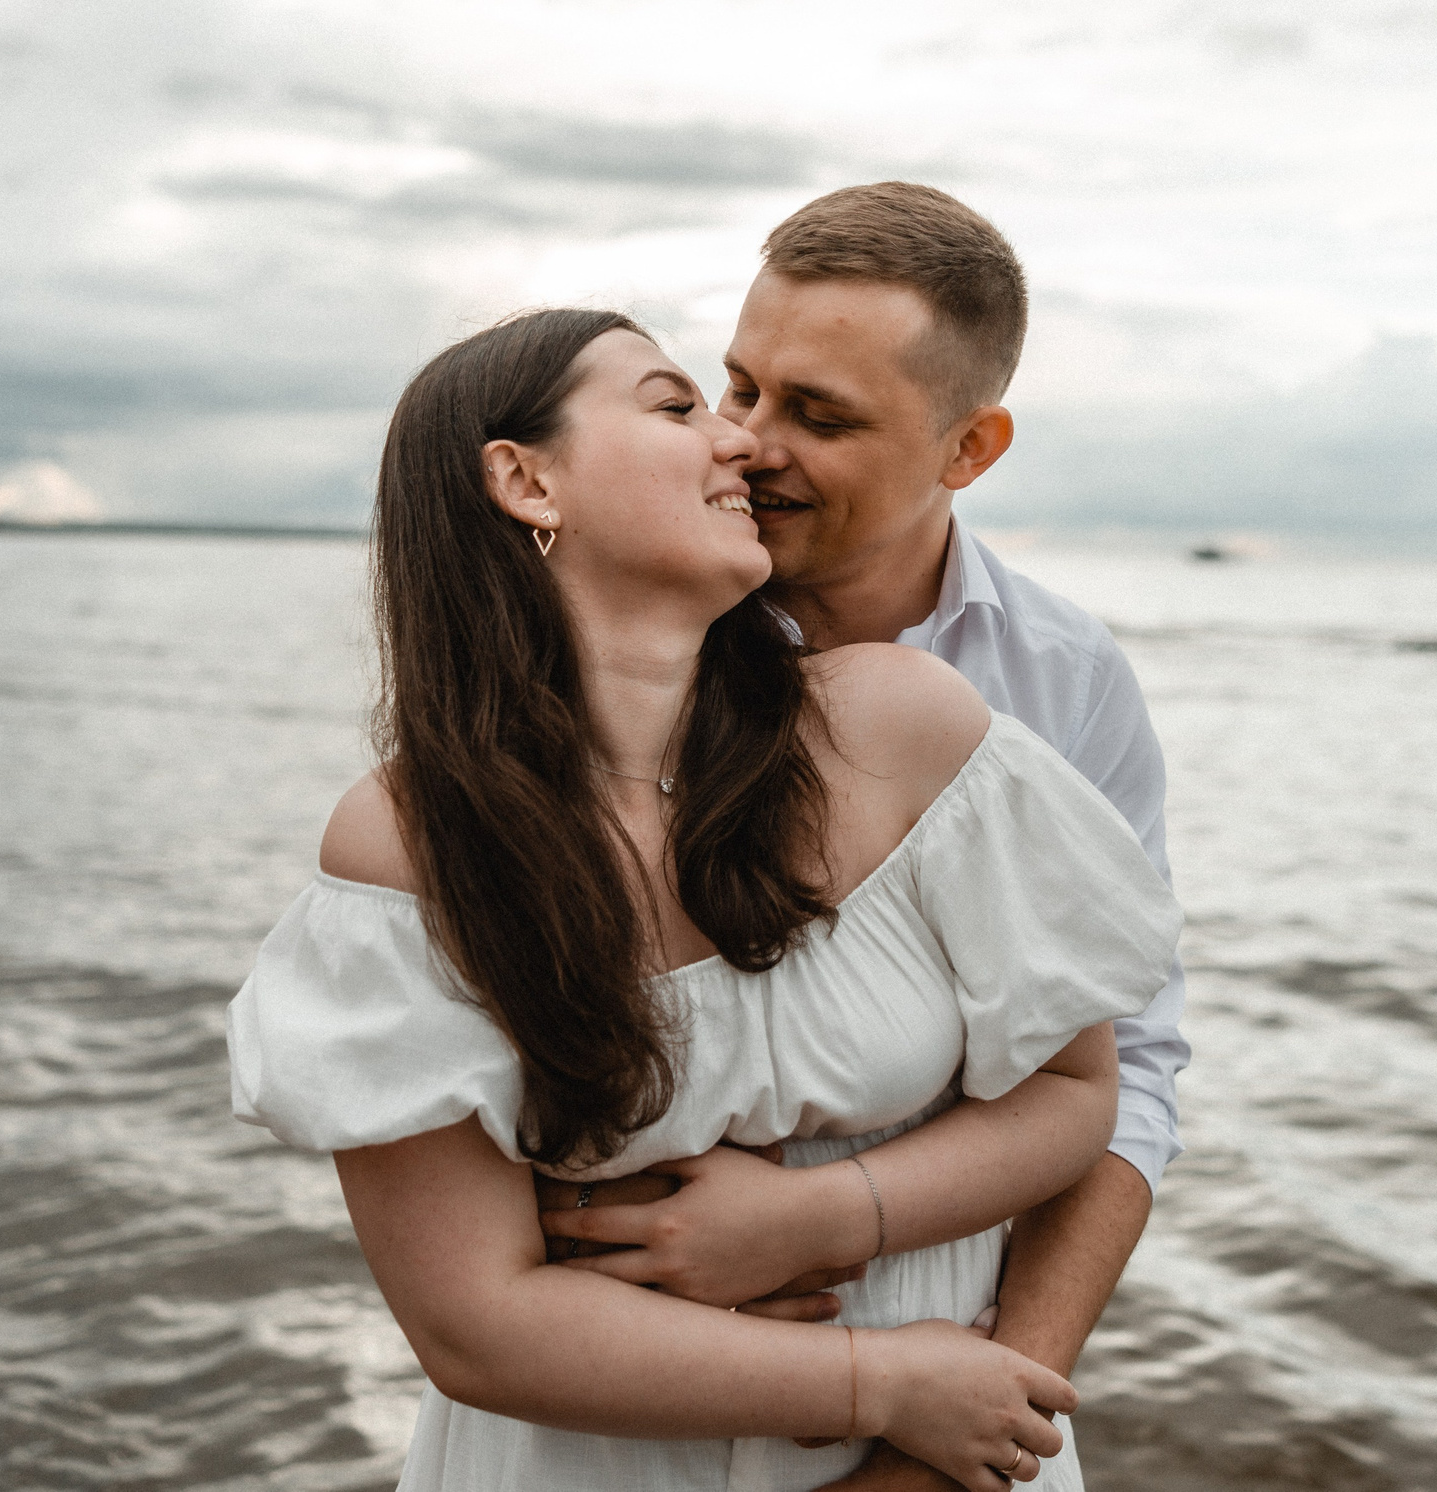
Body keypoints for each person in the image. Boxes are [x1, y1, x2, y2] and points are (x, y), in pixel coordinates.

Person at [227, 307, 1181, 1489]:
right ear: (526, 482)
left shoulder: (902, 725)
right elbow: (471, 1322)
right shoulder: (413, 843)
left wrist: (832, 1218)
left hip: (953, 1454)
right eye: (678, 405)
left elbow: (1084, 1088)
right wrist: (877, 1380)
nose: (740, 442)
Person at [534, 183, 1191, 1492]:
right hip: (621, 1395)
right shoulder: (620, 634)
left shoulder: (1060, 682)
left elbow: (1134, 1068)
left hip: (958, 1403)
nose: (747, 442)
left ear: (968, 449)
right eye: (739, 387)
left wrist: (968, 1442)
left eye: (820, 416)